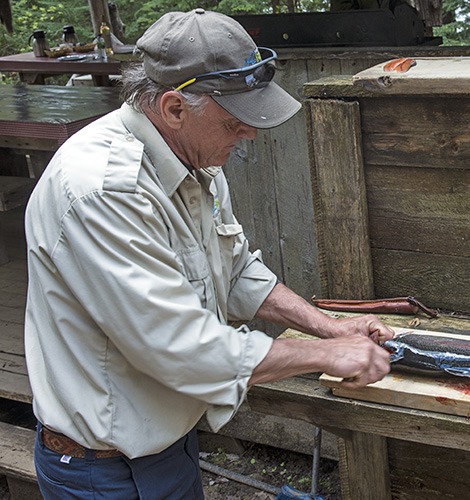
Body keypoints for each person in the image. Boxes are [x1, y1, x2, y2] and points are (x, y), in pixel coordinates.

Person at [24, 9, 393, 499]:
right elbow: (179, 348)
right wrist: (325, 354)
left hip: (169, 444)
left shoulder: (191, 157)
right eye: (235, 120)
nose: (250, 133)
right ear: (175, 108)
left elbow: (236, 269)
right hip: (104, 470)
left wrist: (329, 325)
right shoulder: (104, 190)